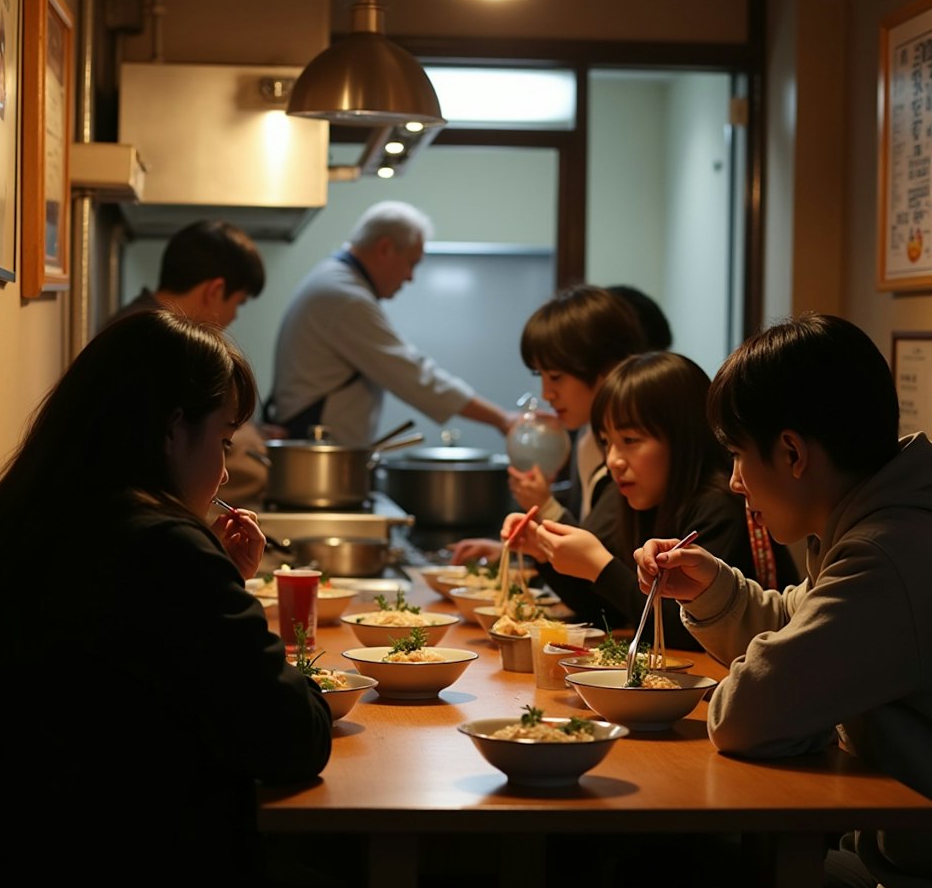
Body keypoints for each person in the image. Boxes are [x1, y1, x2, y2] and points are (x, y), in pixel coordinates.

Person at [0, 311, 333, 888]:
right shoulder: (160, 548)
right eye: (224, 441)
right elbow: (291, 736)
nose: (225, 473)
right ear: (174, 429)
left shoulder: (16, 522)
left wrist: (219, 586)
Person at [633, 313, 932, 888]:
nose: (736, 481)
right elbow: (799, 622)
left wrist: (775, 679)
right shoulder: (879, 521)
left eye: (739, 455)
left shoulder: (889, 553)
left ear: (792, 453)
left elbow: (749, 716)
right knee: (690, 882)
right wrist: (711, 588)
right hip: (899, 868)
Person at [511, 351, 798, 648]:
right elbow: (606, 610)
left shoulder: (720, 506)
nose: (613, 461)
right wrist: (545, 554)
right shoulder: (629, 497)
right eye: (607, 442)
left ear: (683, 437)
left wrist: (600, 565)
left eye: (630, 441)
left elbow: (684, 631)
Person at [266, 200, 517, 446]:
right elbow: (416, 378)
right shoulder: (345, 297)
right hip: (319, 459)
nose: (410, 277)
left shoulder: (332, 279)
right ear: (385, 248)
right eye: (411, 263)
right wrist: (502, 419)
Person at [450, 283, 649, 562]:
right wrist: (514, 549)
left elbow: (597, 562)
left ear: (606, 368)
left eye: (555, 377)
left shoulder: (631, 450)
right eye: (540, 375)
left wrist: (546, 505)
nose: (546, 393)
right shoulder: (587, 436)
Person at [108, 218, 273, 504]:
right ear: (215, 290)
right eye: (238, 302)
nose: (234, 316)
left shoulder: (139, 325)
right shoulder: (160, 341)